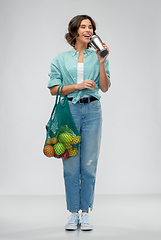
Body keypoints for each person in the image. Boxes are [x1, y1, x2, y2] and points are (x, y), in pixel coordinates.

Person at [47, 15, 111, 231]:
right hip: (70, 111)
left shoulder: (99, 55)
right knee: (71, 163)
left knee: (89, 164)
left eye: (91, 27)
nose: (88, 30)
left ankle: (85, 213)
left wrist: (102, 62)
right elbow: (54, 89)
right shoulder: (61, 58)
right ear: (74, 31)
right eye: (83, 26)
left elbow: (104, 87)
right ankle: (73, 213)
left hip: (93, 110)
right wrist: (77, 86)